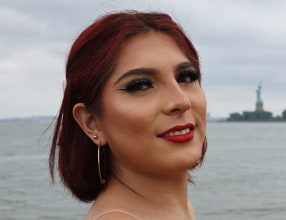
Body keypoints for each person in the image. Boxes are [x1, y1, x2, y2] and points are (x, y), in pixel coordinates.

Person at [49, 10, 207, 220]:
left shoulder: (180, 211)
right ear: (91, 122)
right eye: (140, 85)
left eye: (186, 77)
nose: (181, 101)